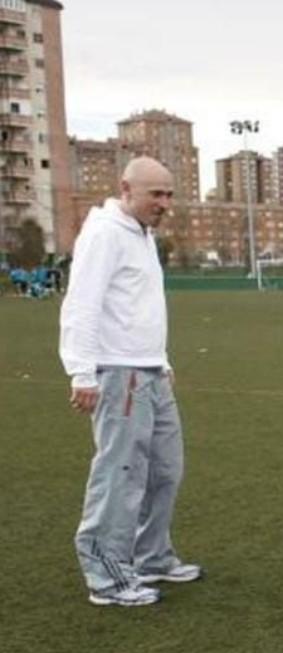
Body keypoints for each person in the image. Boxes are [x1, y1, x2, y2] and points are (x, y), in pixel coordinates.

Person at [59, 157, 202, 607]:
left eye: (169, 194)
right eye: (155, 194)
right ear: (126, 189)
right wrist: (82, 372)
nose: (164, 203)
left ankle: (151, 556)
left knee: (165, 470)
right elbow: (81, 304)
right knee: (120, 474)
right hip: (118, 373)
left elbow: (137, 308)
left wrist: (161, 361)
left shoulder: (141, 235)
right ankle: (106, 576)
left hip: (151, 371)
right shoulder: (104, 234)